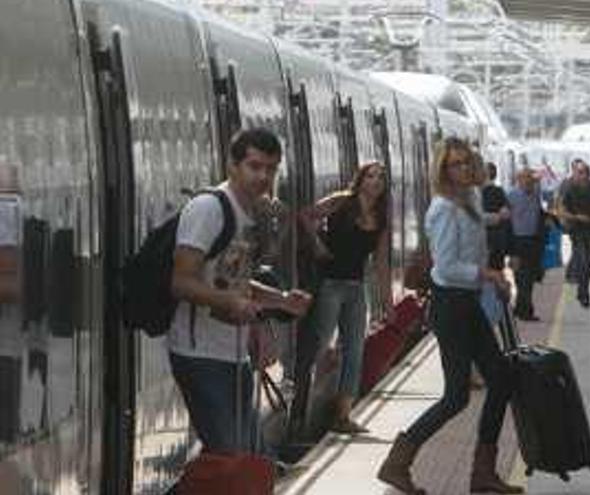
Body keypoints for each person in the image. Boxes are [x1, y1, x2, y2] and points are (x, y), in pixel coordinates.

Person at [377, 137, 522, 495]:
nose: (462, 169)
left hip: (467, 303)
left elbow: (477, 224)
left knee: (501, 379)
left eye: (466, 162)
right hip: (450, 306)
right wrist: (489, 275)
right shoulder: (441, 208)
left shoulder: (470, 199)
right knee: (456, 395)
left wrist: (496, 226)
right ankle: (398, 462)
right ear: (442, 170)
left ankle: (482, 474)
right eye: (454, 165)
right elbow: (447, 267)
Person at [168, 128, 312, 453]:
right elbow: (180, 281)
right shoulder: (209, 209)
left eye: (271, 169)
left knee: (249, 455)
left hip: (232, 354)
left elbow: (235, 281)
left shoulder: (245, 213)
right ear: (232, 166)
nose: (263, 176)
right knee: (233, 455)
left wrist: (282, 301)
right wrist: (231, 302)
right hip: (199, 355)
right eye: (254, 166)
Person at [300, 161, 391, 434]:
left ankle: (343, 416)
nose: (375, 182)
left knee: (355, 350)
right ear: (360, 179)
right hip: (330, 285)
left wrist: (386, 303)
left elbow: (382, 263)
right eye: (370, 176)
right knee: (319, 346)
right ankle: (303, 409)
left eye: (380, 178)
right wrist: (317, 245)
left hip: (355, 289)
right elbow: (305, 215)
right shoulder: (342, 201)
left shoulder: (381, 216)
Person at [558, 165, 590, 308]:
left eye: (583, 173)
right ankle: (584, 293)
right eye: (578, 173)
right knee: (582, 258)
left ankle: (583, 290)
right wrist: (576, 217)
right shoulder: (570, 190)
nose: (581, 176)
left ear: (588, 174)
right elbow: (561, 211)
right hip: (576, 230)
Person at [507, 168, 544, 321]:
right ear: (519, 180)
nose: (529, 182)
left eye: (531, 179)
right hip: (518, 241)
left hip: (533, 241)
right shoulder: (512, 196)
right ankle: (525, 310)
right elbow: (507, 222)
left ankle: (521, 308)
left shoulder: (535, 193)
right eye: (526, 179)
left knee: (529, 277)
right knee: (522, 277)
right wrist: (510, 250)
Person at [481, 162, 511, 270]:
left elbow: (506, 214)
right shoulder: (499, 191)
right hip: (496, 240)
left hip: (491, 240)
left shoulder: (492, 191)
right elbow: (505, 213)